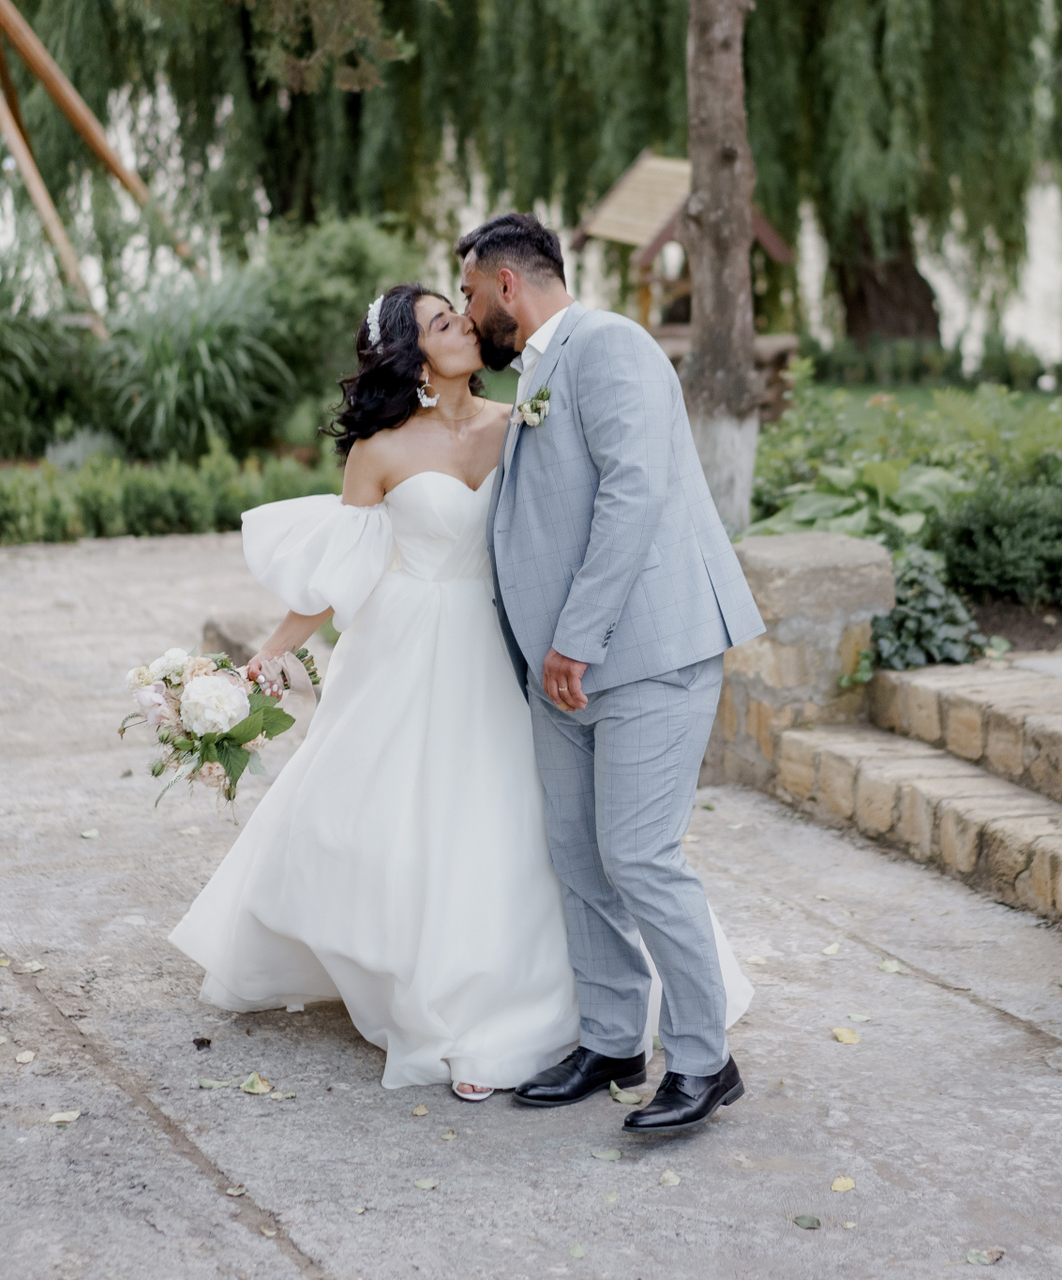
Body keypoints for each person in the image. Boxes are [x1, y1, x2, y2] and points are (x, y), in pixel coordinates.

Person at [167, 282, 751, 1106]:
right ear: (414, 359)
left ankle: (574, 1016)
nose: (466, 324)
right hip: (411, 647)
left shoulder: (522, 421)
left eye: (460, 310)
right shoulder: (379, 451)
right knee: (419, 830)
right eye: (443, 322)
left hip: (511, 640)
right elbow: (341, 572)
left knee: (539, 831)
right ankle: (451, 1011)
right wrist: (268, 653)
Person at [457, 213, 766, 1132]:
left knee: (640, 856)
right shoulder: (538, 369)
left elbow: (634, 491)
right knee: (579, 855)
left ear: (507, 284)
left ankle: (705, 1059)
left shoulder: (611, 345)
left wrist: (576, 637)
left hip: (642, 654)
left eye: (470, 295)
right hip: (563, 673)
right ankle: (611, 1040)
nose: (468, 315)